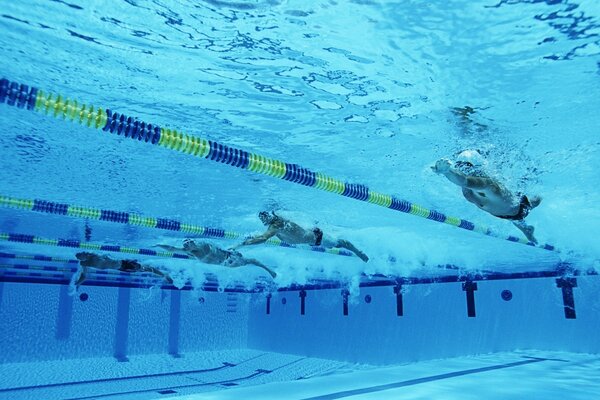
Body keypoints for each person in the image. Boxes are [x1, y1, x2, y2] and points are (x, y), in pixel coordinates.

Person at [432, 151, 542, 243]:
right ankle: (527, 230)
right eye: (459, 166)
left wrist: (447, 171)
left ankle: (528, 229)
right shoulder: (468, 190)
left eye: (467, 166)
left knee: (536, 200)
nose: (463, 170)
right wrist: (449, 171)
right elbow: (463, 180)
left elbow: (465, 181)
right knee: (513, 217)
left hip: (518, 208)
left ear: (478, 168)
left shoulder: (490, 185)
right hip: (502, 212)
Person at [234, 211, 369, 262]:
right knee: (337, 243)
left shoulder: (277, 224)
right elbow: (258, 237)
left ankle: (359, 252)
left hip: (317, 237)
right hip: (310, 238)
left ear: (270, 216)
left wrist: (245, 244)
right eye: (261, 219)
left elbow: (263, 238)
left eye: (263, 217)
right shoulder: (274, 228)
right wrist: (242, 243)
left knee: (339, 243)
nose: (262, 221)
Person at [157, 239, 277, 278]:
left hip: (229, 257)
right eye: (186, 244)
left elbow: (218, 247)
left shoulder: (203, 244)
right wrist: (158, 245)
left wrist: (230, 250)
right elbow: (171, 248)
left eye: (189, 241)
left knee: (253, 260)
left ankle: (270, 270)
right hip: (226, 264)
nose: (188, 243)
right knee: (250, 261)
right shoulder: (188, 251)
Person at [73, 252, 173, 289]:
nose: (84, 253)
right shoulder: (85, 263)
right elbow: (84, 275)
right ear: (81, 259)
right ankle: (164, 274)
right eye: (82, 255)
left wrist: (107, 257)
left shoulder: (92, 254)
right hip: (123, 267)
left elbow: (106, 255)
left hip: (123, 262)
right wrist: (77, 283)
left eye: (83, 252)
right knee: (146, 269)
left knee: (147, 268)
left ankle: (163, 274)